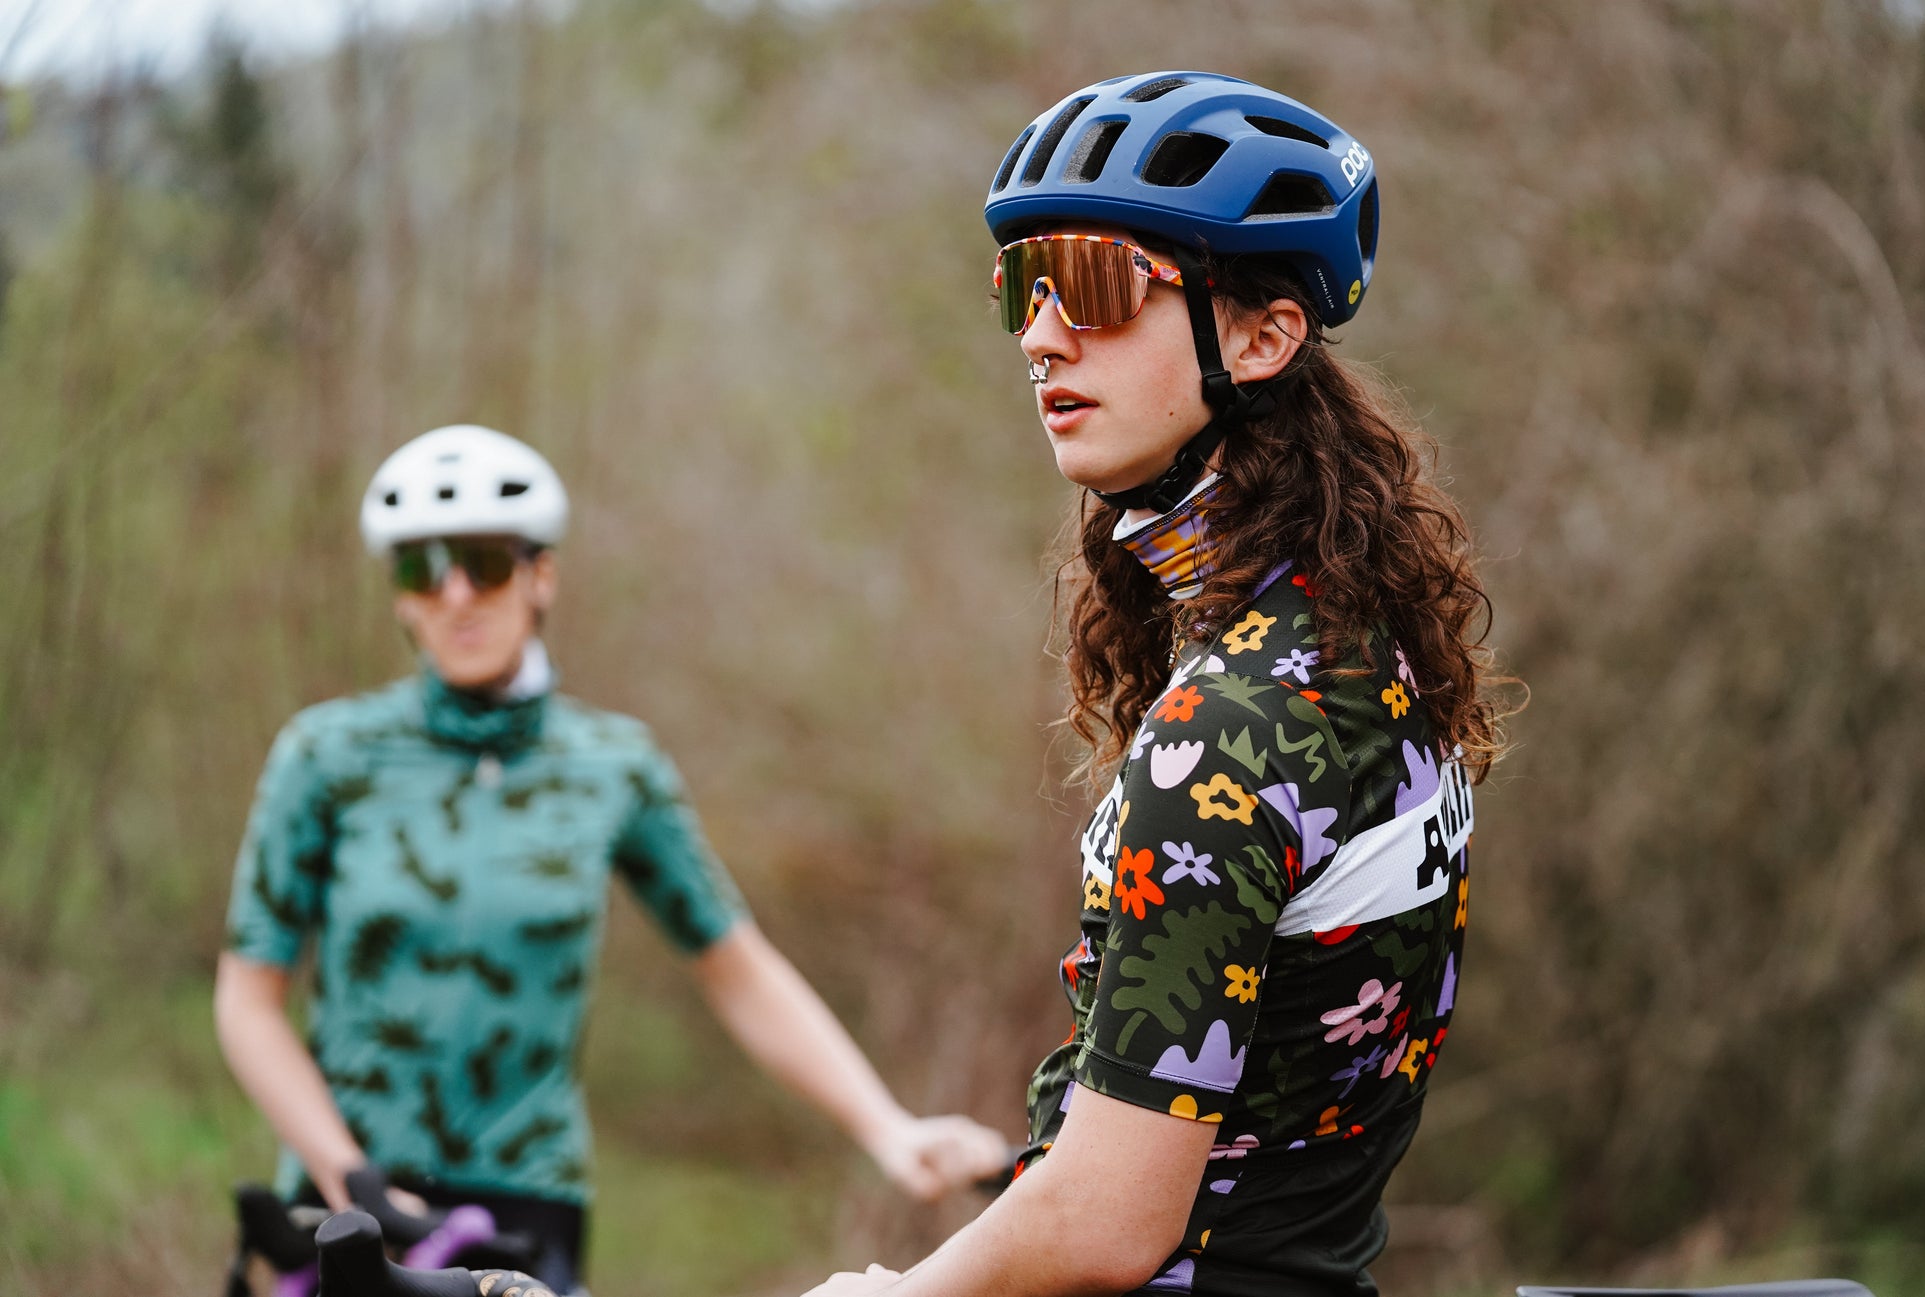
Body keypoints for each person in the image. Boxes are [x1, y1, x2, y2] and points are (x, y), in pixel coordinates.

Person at [807, 71, 1502, 1297]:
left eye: (1092, 284)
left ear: (1262, 336)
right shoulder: (1358, 647)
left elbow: (1105, 1224)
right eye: (1023, 287)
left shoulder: (1230, 730)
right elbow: (1264, 1114)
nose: (1038, 336)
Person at [215, 425, 1010, 1294]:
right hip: (347, 1204)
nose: (455, 594)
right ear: (401, 598)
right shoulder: (326, 756)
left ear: (541, 576)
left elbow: (738, 969)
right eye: (421, 569)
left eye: (483, 563)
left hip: (527, 1205)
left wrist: (887, 1126)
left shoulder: (613, 767)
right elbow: (247, 999)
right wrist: (348, 1175)